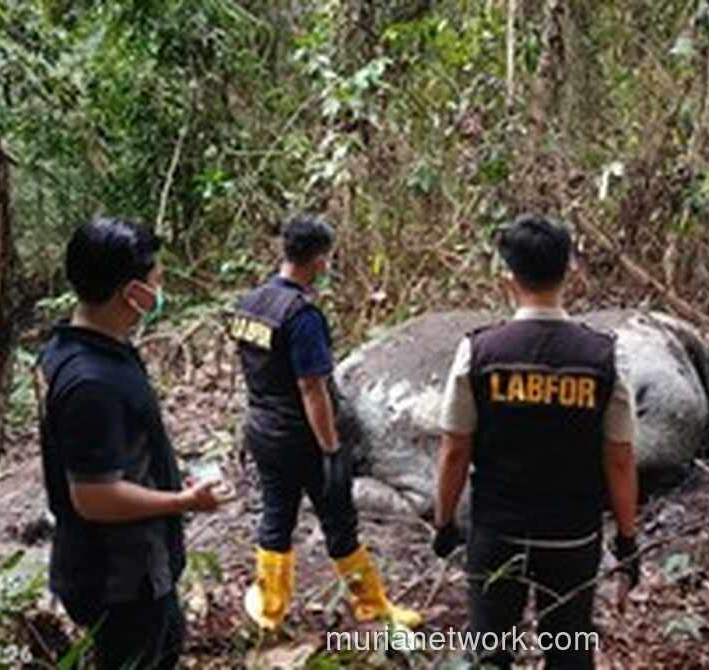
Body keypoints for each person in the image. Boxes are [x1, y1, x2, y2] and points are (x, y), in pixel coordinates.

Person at [432, 214, 640, 669]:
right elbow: (620, 460)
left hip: (497, 530)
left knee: (490, 652)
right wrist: (627, 539)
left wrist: (444, 522)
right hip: (572, 534)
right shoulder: (604, 355)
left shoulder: (480, 352)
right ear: (570, 272)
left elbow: (454, 450)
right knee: (569, 652)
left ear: (508, 278)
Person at [37, 218, 223, 670]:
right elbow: (95, 496)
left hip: (119, 570)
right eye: (156, 280)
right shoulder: (92, 383)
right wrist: (183, 500)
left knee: (166, 641)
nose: (161, 289)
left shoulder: (73, 348)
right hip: (121, 578)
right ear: (131, 292)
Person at [233, 213, 421, 632]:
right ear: (318, 259)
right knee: (338, 520)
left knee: (276, 517)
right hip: (301, 438)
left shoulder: (250, 304)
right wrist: (331, 448)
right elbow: (312, 390)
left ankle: (269, 611)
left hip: (262, 429)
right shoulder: (302, 317)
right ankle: (372, 606)